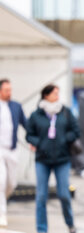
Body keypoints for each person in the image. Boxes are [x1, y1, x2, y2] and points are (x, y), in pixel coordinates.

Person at [26, 84, 79, 233]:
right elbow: (29, 134)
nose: (57, 96)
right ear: (46, 95)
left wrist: (63, 139)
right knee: (41, 196)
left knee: (64, 194)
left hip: (62, 160)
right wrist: (39, 143)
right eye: (55, 93)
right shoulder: (36, 115)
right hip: (42, 160)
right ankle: (41, 229)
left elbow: (76, 131)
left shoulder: (65, 112)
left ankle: (70, 224)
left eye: (58, 93)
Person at [0, 79, 26, 227]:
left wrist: (34, 140)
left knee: (11, 183)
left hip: (12, 150)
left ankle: (3, 200)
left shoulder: (16, 106)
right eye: (6, 90)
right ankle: (2, 213)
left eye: (10, 90)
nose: (9, 93)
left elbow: (26, 124)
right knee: (1, 181)